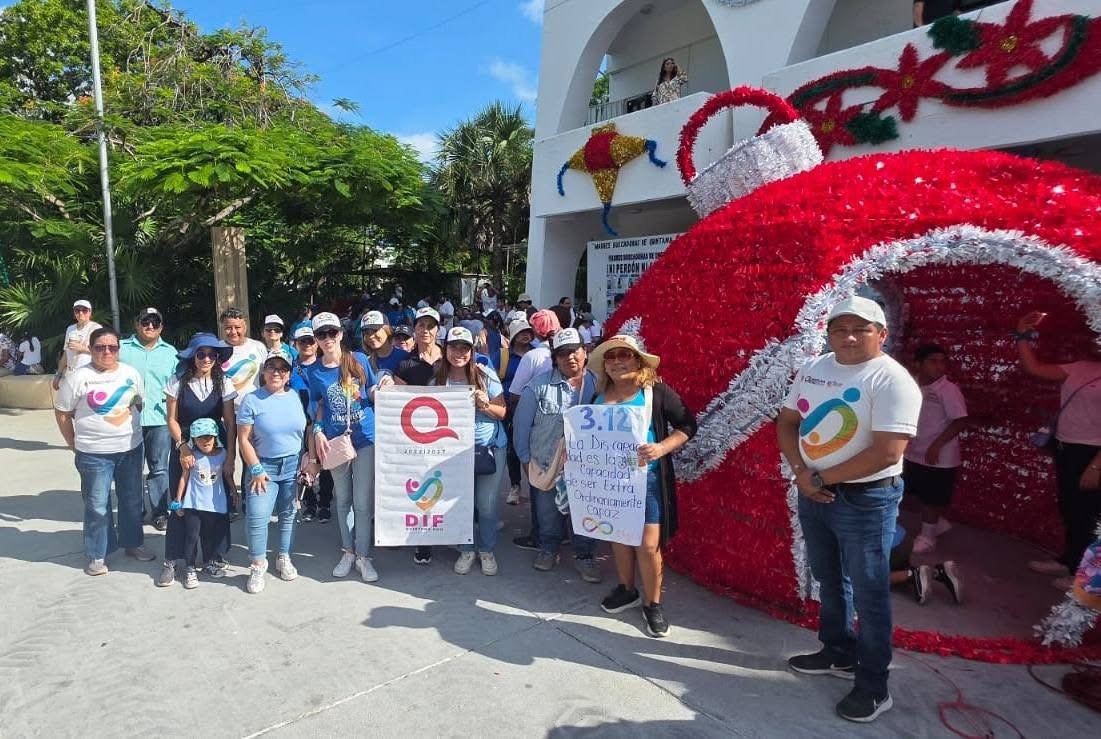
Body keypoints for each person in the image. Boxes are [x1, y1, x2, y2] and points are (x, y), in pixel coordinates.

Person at [776, 296, 921, 723]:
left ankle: (874, 686)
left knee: (871, 592)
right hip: (813, 490)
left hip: (866, 500)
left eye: (861, 328)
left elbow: (886, 452)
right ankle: (837, 651)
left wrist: (819, 479)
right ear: (829, 333)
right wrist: (803, 473)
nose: (849, 337)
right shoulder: (815, 368)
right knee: (829, 577)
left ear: (882, 334)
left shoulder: (892, 380)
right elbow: (786, 422)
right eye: (840, 329)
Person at [592, 335, 696, 638]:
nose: (616, 361)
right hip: (609, 482)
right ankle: (627, 589)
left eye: (624, 354)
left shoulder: (657, 393)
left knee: (648, 545)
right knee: (619, 537)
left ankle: (653, 603)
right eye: (610, 357)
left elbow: (688, 425)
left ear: (638, 360)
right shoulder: (599, 394)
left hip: (648, 481)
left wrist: (662, 448)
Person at [54, 326, 155, 575]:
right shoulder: (77, 377)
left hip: (130, 449)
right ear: (91, 350)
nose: (107, 352)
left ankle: (133, 544)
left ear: (118, 350)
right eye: (100, 347)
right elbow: (63, 413)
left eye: (112, 347)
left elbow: (138, 403)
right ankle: (98, 554)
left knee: (132, 501)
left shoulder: (131, 374)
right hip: (93, 453)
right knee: (97, 504)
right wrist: (73, 443)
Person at [1016, 310, 1101, 590]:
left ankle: (1080, 574)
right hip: (1067, 447)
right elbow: (1034, 368)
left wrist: (1097, 465)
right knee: (1068, 506)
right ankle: (1068, 559)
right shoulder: (1080, 366)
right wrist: (1022, 335)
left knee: (1086, 513)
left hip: (1093, 454)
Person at [514, 328, 601, 583]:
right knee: (547, 513)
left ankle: (584, 555)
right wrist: (525, 459)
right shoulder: (538, 386)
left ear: (585, 352)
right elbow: (522, 425)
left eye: (574, 351)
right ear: (555, 358)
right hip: (545, 462)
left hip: (586, 467)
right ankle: (548, 549)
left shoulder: (600, 384)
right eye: (562, 353)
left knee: (584, 513)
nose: (569, 358)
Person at [306, 312, 381, 583]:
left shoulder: (358, 359)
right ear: (315, 339)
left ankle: (363, 556)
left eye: (331, 333)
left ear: (340, 334)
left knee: (362, 502)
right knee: (343, 500)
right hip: (335, 442)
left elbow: (372, 389)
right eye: (320, 335)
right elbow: (316, 405)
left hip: (365, 438)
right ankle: (347, 551)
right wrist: (317, 431)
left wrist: (383, 387)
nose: (327, 339)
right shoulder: (313, 371)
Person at [158, 333, 238, 587]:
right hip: (185, 448)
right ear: (192, 356)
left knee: (216, 502)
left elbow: (230, 422)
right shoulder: (177, 381)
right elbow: (171, 419)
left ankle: (215, 556)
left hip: (216, 449)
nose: (206, 359)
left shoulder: (224, 382)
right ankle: (173, 559)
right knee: (181, 503)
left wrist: (231, 456)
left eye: (212, 354)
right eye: (201, 354)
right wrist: (182, 447)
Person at [435, 327, 508, 575]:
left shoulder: (485, 374)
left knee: (486, 505)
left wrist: (486, 405)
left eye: (465, 347)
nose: (459, 352)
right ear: (445, 349)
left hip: (488, 448)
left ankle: (486, 550)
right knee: (459, 502)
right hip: (452, 453)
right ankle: (466, 548)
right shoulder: (437, 379)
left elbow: (502, 412)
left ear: (472, 351)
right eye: (454, 346)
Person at [238, 349, 309, 594]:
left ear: (289, 374)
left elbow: (303, 431)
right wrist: (255, 468)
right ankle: (258, 564)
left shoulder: (295, 396)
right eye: (271, 368)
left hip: (291, 465)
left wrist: (307, 461)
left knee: (288, 515)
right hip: (263, 467)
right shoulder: (251, 399)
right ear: (264, 372)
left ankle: (283, 557)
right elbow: (244, 439)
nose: (276, 372)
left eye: (282, 369)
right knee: (258, 518)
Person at [903, 343, 968, 553]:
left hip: (939, 455)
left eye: (942, 362)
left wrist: (936, 445)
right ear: (917, 364)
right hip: (913, 451)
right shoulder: (911, 384)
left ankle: (928, 536)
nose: (939, 367)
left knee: (933, 496)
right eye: (933, 361)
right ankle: (937, 525)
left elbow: (960, 421)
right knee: (911, 491)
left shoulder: (948, 389)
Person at [393, 306, 445, 565]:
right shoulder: (404, 363)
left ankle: (448, 532)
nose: (426, 330)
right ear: (415, 329)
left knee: (445, 482)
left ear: (438, 329)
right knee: (419, 484)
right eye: (421, 325)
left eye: (430, 325)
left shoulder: (451, 358)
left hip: (445, 433)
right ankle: (421, 540)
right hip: (414, 435)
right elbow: (397, 399)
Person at [119, 307, 178, 531]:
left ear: (161, 326)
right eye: (145, 322)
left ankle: (160, 512)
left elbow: (177, 386)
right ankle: (135, 511)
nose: (150, 326)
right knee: (131, 470)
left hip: (160, 420)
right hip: (127, 419)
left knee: (159, 469)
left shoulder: (171, 352)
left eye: (155, 322)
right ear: (137, 324)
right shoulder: (121, 349)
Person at [508, 309, 562, 551]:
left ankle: (540, 536)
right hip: (567, 431)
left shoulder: (533, 357)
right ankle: (562, 534)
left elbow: (516, 394)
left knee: (539, 483)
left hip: (538, 430)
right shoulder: (576, 356)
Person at [167, 419, 238, 589]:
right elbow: (184, 477)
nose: (205, 441)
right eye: (200, 438)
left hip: (215, 505)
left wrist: (234, 492)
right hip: (194, 505)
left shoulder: (222, 455)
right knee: (191, 537)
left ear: (215, 437)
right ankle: (190, 568)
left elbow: (227, 475)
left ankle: (208, 563)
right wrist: (178, 500)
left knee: (209, 536)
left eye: (209, 437)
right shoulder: (191, 456)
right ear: (193, 439)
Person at [219, 307, 267, 518]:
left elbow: (266, 379)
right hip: (224, 413)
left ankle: (250, 500)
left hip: (253, 412)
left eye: (237, 327)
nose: (233, 332)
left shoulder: (258, 347)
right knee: (224, 458)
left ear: (245, 326)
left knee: (250, 457)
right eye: (228, 328)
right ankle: (227, 502)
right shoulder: (217, 349)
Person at [289, 326, 333, 523]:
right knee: (304, 463)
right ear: (295, 344)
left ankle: (324, 503)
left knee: (326, 464)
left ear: (316, 342)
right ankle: (309, 502)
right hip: (300, 423)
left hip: (323, 422)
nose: (307, 345)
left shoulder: (326, 365)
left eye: (310, 340)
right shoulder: (289, 368)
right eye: (302, 341)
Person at [888, 523, 963, 605]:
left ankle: (912, 575)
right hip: (903, 538)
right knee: (895, 570)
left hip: (891, 548)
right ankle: (939, 572)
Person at [503, 318, 535, 505]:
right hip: (511, 409)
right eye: (520, 331)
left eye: (528, 331)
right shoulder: (504, 356)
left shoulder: (540, 353)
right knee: (513, 449)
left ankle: (537, 485)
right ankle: (515, 485)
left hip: (536, 410)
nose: (525, 334)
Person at [52, 299, 102, 391]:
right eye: (77, 310)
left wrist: (82, 348)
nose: (81, 313)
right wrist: (58, 375)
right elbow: (66, 354)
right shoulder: (70, 329)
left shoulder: (96, 328)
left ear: (90, 312)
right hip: (71, 375)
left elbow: (102, 352)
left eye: (84, 310)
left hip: (89, 376)